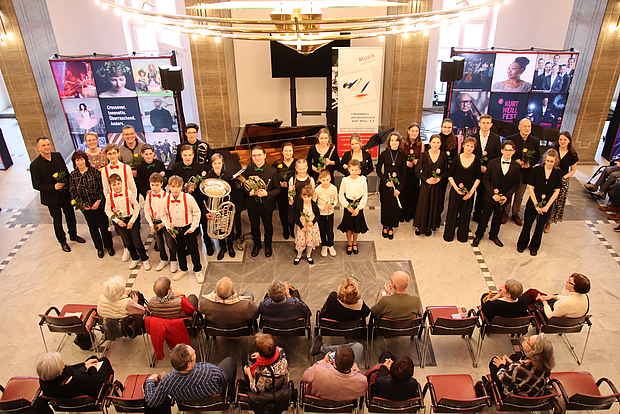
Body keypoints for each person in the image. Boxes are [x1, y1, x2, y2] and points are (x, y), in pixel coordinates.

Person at [30, 137, 85, 252]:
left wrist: (71, 187)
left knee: (70, 215)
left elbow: (65, 172)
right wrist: (53, 187)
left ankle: (73, 235)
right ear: (38, 148)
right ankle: (62, 241)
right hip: (51, 198)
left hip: (65, 193)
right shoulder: (35, 165)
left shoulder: (57, 156)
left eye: (48, 144)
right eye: (43, 145)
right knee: (57, 220)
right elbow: (36, 185)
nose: (47, 147)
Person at [144, 344, 236, 408]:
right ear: (189, 364)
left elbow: (152, 402)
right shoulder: (209, 371)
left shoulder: (167, 382)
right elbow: (222, 380)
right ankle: (231, 396)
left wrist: (150, 380)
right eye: (193, 354)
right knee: (229, 361)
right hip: (212, 397)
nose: (195, 351)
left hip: (186, 403)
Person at [167, 145, 215, 256]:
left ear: (193, 155)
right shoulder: (176, 167)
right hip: (183, 202)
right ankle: (190, 247)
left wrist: (196, 188)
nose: (187, 157)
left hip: (199, 200)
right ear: (181, 155)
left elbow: (205, 185)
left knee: (204, 224)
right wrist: (184, 188)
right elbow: (173, 185)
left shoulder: (200, 167)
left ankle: (208, 245)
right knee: (188, 225)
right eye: (185, 155)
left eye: (189, 155)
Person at [472, 141, 521, 247]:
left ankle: (493, 235)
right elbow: (486, 179)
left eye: (510, 150)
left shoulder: (516, 166)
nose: (508, 152)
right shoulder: (492, 162)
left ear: (514, 152)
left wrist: (506, 196)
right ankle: (479, 235)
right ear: (502, 150)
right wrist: (492, 194)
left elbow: (516, 184)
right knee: (484, 216)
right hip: (490, 196)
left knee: (498, 218)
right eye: (506, 150)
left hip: (503, 198)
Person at [517, 149, 562, 256]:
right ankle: (522, 244)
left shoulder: (557, 173)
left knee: (540, 227)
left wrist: (547, 206)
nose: (549, 163)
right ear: (544, 159)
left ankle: (534, 247)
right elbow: (530, 188)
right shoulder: (536, 170)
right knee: (527, 225)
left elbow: (557, 191)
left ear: (555, 161)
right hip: (534, 201)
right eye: (548, 161)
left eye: (552, 161)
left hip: (547, 204)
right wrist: (537, 205)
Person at [69, 150, 113, 258]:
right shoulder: (73, 175)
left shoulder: (94, 171)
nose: (80, 162)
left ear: (85, 160)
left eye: (81, 159)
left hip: (99, 204)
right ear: (74, 162)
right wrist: (82, 205)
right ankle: (99, 248)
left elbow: (102, 188)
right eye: (77, 160)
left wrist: (98, 201)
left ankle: (109, 246)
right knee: (93, 228)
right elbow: (73, 192)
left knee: (103, 226)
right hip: (86, 207)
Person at [162, 175, 203, 282]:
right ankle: (183, 269)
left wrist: (193, 227)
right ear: (169, 187)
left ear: (182, 186)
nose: (175, 189)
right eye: (173, 186)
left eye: (178, 186)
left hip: (188, 228)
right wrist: (168, 226)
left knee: (193, 249)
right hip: (175, 229)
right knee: (179, 250)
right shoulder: (165, 200)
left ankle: (198, 270)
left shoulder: (188, 198)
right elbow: (163, 215)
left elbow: (197, 212)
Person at [104, 173, 150, 270]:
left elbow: (137, 207)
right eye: (114, 185)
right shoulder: (109, 196)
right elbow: (107, 210)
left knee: (137, 241)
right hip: (120, 221)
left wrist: (132, 221)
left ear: (122, 183)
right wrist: (117, 221)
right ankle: (135, 258)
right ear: (110, 186)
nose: (117, 186)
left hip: (131, 219)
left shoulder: (128, 193)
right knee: (127, 242)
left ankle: (144, 259)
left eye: (118, 183)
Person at [242, 145, 280, 257]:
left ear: (264, 155)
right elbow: (243, 186)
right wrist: (249, 192)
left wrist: (267, 193)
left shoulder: (272, 171)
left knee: (268, 226)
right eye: (254, 155)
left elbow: (278, 189)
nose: (257, 158)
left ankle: (268, 246)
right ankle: (257, 245)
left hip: (267, 205)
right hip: (252, 204)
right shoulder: (248, 170)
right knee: (254, 226)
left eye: (259, 155)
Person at [489, 335, 554, 397]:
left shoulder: (518, 368)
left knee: (494, 362)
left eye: (528, 341)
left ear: (533, 352)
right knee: (514, 357)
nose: (525, 338)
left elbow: (502, 377)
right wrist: (512, 363)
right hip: (533, 393)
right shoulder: (546, 365)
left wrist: (501, 365)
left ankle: (496, 391)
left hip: (515, 395)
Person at [443, 137, 481, 242]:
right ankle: (448, 235)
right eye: (467, 145)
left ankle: (462, 236)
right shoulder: (456, 158)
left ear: (474, 148)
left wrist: (471, 192)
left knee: (466, 214)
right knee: (452, 213)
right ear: (463, 145)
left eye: (472, 146)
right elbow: (450, 175)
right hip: (455, 191)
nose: (469, 148)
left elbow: (478, 178)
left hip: (469, 192)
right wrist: (456, 189)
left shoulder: (477, 160)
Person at [205, 153, 242, 260]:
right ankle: (223, 248)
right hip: (215, 206)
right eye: (215, 163)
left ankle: (230, 247)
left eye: (219, 163)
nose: (217, 165)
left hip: (226, 205)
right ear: (212, 164)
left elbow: (233, 191)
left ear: (222, 163)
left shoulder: (228, 175)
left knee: (228, 227)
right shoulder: (208, 176)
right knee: (218, 227)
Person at [301, 345, 368, 401]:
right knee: (358, 346)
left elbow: (304, 377)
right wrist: (356, 369)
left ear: (334, 361)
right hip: (346, 408)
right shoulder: (362, 381)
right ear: (352, 363)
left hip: (317, 406)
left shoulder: (316, 371)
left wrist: (323, 361)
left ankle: (322, 348)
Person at [506, 118, 540, 226]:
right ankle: (505, 213)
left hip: (526, 173)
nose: (527, 128)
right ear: (519, 127)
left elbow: (537, 156)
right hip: (512, 172)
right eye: (525, 126)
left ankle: (515, 214)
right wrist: (515, 161)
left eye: (529, 126)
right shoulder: (511, 139)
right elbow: (505, 154)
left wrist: (530, 163)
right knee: (509, 193)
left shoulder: (535, 141)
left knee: (519, 195)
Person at [37, 352, 114, 399]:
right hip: (95, 389)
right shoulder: (77, 380)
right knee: (104, 360)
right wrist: (92, 368)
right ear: (59, 372)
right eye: (62, 364)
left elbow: (69, 369)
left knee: (93, 358)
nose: (64, 364)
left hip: (66, 398)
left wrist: (84, 364)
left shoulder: (44, 383)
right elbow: (95, 382)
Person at [415, 135, 448, 236]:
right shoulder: (424, 155)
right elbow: (417, 171)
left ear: (440, 144)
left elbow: (446, 171)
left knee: (434, 205)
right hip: (426, 185)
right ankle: (420, 225)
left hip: (437, 185)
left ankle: (429, 226)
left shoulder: (443, 155)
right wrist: (426, 179)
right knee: (423, 205)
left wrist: (439, 178)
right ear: (429, 143)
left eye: (438, 142)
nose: (435, 144)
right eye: (433, 142)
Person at [547, 132, 579, 233]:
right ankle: (542, 217)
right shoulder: (553, 150)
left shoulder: (572, 154)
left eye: (565, 139)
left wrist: (564, 177)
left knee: (556, 203)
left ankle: (549, 222)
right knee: (546, 199)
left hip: (562, 180)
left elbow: (573, 170)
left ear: (569, 141)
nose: (562, 141)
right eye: (560, 139)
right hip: (550, 177)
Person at [472, 114, 502, 222]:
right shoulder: (473, 137)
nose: (485, 125)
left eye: (487, 123)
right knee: (471, 192)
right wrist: (478, 166)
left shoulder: (496, 138)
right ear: (479, 124)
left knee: (484, 194)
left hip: (488, 172)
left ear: (491, 124)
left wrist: (487, 167)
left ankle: (478, 215)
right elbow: (470, 154)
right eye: (483, 123)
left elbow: (497, 156)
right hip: (474, 170)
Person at [144, 172, 176, 272]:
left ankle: (173, 260)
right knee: (159, 243)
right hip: (155, 222)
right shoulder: (148, 196)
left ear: (162, 184)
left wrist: (163, 224)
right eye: (152, 185)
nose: (154, 187)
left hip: (165, 222)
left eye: (157, 185)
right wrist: (151, 224)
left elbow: (171, 212)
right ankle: (163, 259)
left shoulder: (167, 196)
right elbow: (146, 211)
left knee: (170, 242)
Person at [377, 132, 406, 239]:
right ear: (389, 142)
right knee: (385, 206)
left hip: (397, 185)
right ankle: (385, 225)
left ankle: (391, 227)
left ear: (399, 142)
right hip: (386, 184)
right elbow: (378, 169)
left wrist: (399, 188)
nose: (394, 142)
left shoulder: (402, 155)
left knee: (394, 207)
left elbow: (404, 174)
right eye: (392, 140)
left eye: (396, 140)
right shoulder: (384, 154)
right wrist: (385, 181)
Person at [337, 160, 369, 255]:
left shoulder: (362, 179)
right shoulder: (345, 180)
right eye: (352, 170)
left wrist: (359, 208)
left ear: (359, 170)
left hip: (358, 205)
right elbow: (341, 194)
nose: (354, 172)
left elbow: (365, 195)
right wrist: (347, 206)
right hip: (349, 205)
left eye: (356, 170)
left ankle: (355, 242)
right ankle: (349, 243)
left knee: (356, 226)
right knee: (348, 226)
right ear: (348, 170)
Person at [292, 185, 321, 265]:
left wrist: (313, 222)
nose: (307, 198)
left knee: (310, 241)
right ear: (302, 196)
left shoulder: (314, 205)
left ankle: (308, 255)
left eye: (309, 197)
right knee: (301, 241)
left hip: (311, 226)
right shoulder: (299, 204)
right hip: (302, 225)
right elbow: (295, 216)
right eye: (305, 197)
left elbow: (318, 215)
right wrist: (301, 226)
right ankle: (299, 255)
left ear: (311, 196)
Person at [272, 142, 296, 239]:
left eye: (290, 150)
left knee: (293, 210)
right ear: (282, 152)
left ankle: (292, 228)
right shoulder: (276, 164)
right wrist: (279, 184)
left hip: (293, 191)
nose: (288, 153)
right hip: (281, 192)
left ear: (293, 151)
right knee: (283, 211)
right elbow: (272, 177)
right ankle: (285, 229)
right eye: (286, 150)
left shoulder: (297, 162)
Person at [400, 123, 424, 223]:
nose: (414, 133)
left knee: (413, 194)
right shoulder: (403, 143)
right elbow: (399, 157)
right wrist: (405, 162)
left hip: (415, 173)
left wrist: (417, 161)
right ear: (408, 131)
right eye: (412, 131)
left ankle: (410, 214)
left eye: (416, 131)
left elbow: (423, 159)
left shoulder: (421, 144)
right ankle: (402, 214)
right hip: (404, 172)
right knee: (403, 193)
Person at [314, 170, 338, 257]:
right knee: (322, 229)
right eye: (323, 180)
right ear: (320, 180)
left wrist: (332, 205)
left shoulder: (333, 188)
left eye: (327, 180)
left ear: (330, 179)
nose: (326, 182)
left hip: (330, 212)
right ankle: (324, 245)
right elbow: (314, 202)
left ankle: (330, 245)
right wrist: (321, 208)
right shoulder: (317, 189)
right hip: (321, 213)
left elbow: (335, 200)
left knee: (330, 230)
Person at [288, 159, 315, 227]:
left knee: (307, 221)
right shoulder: (292, 179)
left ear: (307, 167)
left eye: (304, 169)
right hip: (296, 204)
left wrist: (313, 204)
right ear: (296, 168)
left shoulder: (310, 180)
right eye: (300, 169)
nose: (302, 171)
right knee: (297, 222)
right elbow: (290, 192)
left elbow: (313, 193)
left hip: (307, 205)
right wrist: (290, 198)